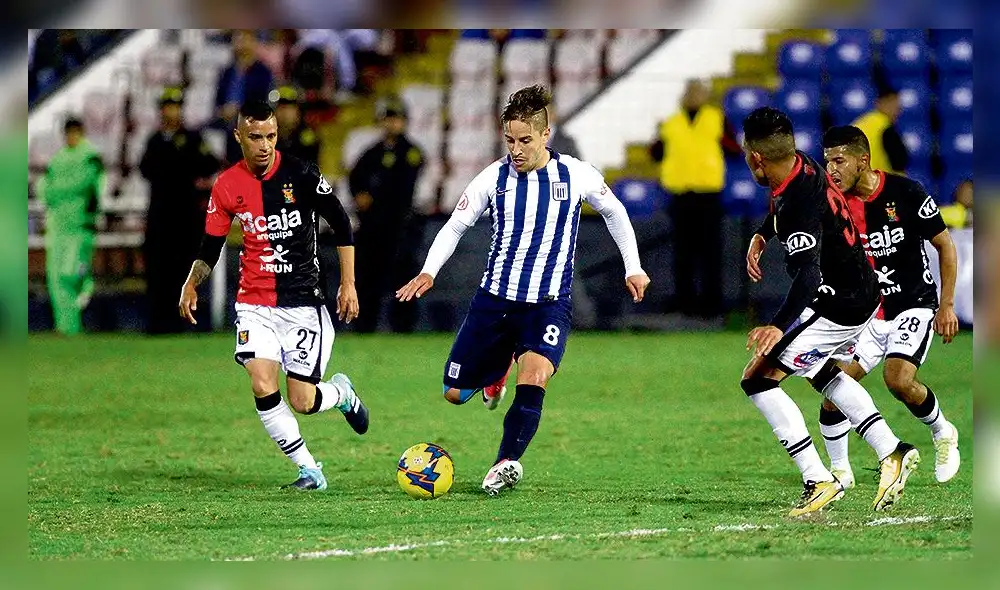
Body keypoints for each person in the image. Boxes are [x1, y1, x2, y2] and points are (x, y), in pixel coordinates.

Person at [396, 85, 650, 496]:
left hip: (548, 305)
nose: (516, 149)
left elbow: (615, 212)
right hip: (494, 301)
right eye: (510, 140)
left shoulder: (576, 174)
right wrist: (429, 271)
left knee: (535, 376)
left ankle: (503, 464)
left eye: (525, 140)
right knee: (454, 393)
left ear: (545, 135)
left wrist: (633, 267)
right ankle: (494, 375)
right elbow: (456, 225)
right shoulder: (493, 178)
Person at [178, 101, 369, 491]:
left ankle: (341, 394)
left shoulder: (301, 174)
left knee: (302, 399)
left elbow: (342, 223)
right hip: (254, 304)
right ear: (238, 137)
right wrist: (191, 282)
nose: (264, 145)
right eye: (255, 137)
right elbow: (211, 245)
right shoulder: (228, 185)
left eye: (271, 136)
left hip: (302, 304)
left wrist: (348, 283)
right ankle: (309, 470)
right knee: (262, 383)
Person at [741, 107, 918, 517]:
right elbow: (784, 212)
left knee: (758, 380)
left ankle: (818, 479)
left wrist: (776, 326)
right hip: (860, 291)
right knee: (821, 371)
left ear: (756, 158)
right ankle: (892, 451)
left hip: (837, 300)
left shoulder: (798, 199)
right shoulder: (801, 166)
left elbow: (806, 275)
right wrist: (762, 233)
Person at [819, 125, 961, 485]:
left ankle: (943, 431)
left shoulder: (906, 192)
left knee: (897, 381)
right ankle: (839, 473)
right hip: (867, 315)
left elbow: (945, 245)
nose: (831, 169)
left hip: (913, 304)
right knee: (834, 387)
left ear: (862, 161)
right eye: (826, 162)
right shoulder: (834, 204)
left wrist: (946, 305)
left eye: (839, 160)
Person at [650, 79, 742, 318]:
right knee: (683, 254)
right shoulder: (671, 123)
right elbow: (656, 152)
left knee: (710, 253)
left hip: (708, 195)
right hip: (680, 195)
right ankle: (686, 304)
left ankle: (711, 305)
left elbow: (734, 149)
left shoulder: (716, 119)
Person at [139, 87, 220, 334]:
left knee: (181, 273)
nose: (170, 112)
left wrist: (176, 163)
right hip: (159, 218)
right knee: (157, 272)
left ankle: (182, 323)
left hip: (184, 219)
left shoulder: (193, 138)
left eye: (174, 106)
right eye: (167, 106)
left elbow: (210, 163)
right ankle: (157, 323)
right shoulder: (154, 139)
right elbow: (145, 168)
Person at [348, 97, 424, 333]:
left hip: (398, 227)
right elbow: (355, 177)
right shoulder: (372, 152)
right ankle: (363, 324)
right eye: (388, 119)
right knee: (367, 278)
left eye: (396, 119)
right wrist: (360, 194)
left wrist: (373, 196)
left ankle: (403, 326)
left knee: (403, 278)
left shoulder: (411, 153)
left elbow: (402, 189)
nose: (392, 124)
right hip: (372, 227)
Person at [35, 117, 105, 335]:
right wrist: (63, 192)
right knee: (56, 277)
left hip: (79, 225)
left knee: (71, 274)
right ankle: (66, 326)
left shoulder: (90, 156)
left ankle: (85, 292)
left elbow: (84, 184)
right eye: (68, 132)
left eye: (75, 132)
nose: (71, 137)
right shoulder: (59, 158)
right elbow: (43, 189)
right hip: (57, 226)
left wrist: (59, 191)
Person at [852, 87, 909, 175]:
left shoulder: (858, 123)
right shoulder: (885, 128)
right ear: (880, 103)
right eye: (893, 105)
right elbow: (899, 161)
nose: (896, 111)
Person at [274, 85, 321, 164]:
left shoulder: (306, 138)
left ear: (298, 112)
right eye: (280, 107)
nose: (283, 113)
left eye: (289, 108)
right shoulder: (268, 136)